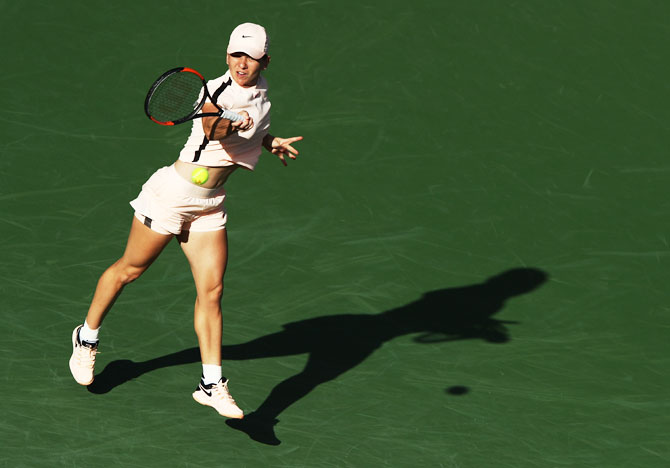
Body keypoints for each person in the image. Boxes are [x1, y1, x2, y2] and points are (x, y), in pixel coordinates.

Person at [68, 23, 303, 420]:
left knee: (212, 292)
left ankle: (211, 383)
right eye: (234, 55)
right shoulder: (215, 91)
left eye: (250, 57)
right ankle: (86, 337)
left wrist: (267, 138)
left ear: (265, 60)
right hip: (173, 196)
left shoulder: (261, 92)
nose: (241, 63)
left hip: (210, 204)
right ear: (227, 56)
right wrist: (237, 122)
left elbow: (254, 123)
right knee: (129, 270)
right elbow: (213, 128)